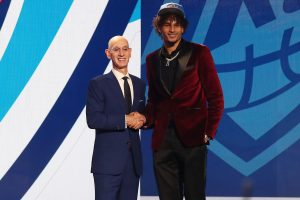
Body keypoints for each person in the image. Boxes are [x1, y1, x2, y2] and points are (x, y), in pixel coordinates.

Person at [144, 3, 224, 200]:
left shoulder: (200, 53)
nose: (172, 29)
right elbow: (154, 100)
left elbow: (216, 97)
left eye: (177, 24)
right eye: (167, 24)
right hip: (163, 140)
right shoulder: (152, 59)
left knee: (194, 195)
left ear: (183, 27)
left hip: (193, 137)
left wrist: (208, 132)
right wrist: (143, 118)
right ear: (159, 27)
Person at [86, 36, 146, 200]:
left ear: (130, 52)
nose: (121, 53)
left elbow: (141, 115)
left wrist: (143, 119)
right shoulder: (98, 83)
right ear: (108, 53)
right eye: (116, 49)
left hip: (133, 164)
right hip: (107, 164)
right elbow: (93, 119)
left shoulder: (140, 84)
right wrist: (125, 120)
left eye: (125, 49)